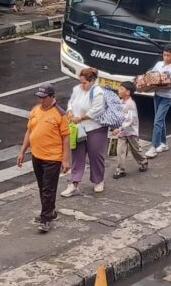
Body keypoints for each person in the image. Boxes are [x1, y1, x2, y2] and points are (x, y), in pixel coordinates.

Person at [17, 82, 70, 233]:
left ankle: (46, 218)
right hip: (37, 155)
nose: (41, 100)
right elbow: (29, 132)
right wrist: (22, 151)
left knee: (48, 188)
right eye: (39, 97)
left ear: (52, 97)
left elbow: (66, 138)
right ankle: (50, 212)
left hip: (52, 158)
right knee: (42, 187)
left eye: (44, 97)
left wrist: (65, 160)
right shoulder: (35, 110)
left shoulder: (60, 114)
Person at [62, 67, 106, 196]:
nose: (82, 84)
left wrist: (80, 118)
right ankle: (74, 182)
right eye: (80, 81)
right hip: (78, 127)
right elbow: (71, 102)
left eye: (84, 82)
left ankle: (98, 180)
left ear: (91, 81)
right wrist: (70, 111)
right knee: (77, 155)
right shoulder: (77, 89)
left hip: (95, 128)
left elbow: (96, 111)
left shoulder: (98, 92)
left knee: (95, 155)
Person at [144, 44, 171, 159]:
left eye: (168, 55)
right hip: (157, 95)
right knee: (160, 120)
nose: (166, 57)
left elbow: (169, 86)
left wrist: (157, 82)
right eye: (164, 55)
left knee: (157, 121)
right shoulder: (159, 64)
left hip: (166, 98)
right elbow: (151, 76)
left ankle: (153, 147)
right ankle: (163, 143)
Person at [111, 81, 147, 179]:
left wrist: (118, 129)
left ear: (128, 92)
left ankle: (143, 161)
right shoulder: (120, 102)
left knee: (135, 150)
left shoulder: (131, 104)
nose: (119, 90)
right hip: (122, 132)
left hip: (130, 131)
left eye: (121, 89)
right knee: (120, 151)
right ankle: (120, 170)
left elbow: (129, 120)